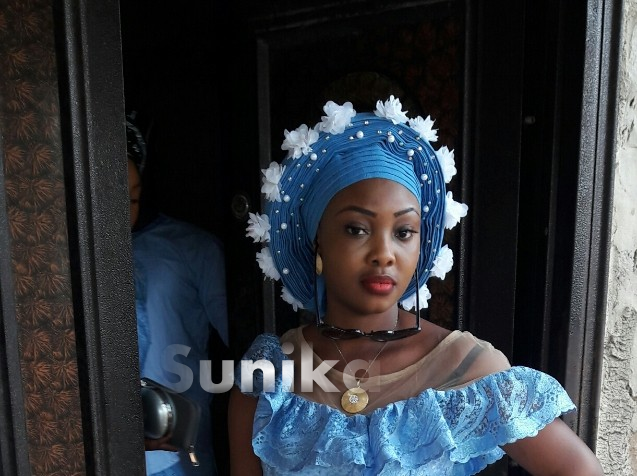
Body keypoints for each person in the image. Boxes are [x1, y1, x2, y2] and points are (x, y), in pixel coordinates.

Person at [227, 97, 603, 475]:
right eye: (356, 229)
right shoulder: (266, 378)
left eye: (404, 232)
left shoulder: (465, 368)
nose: (384, 254)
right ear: (316, 241)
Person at [126, 115, 229, 476]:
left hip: (178, 454)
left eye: (133, 198)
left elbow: (247, 343)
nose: (124, 212)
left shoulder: (192, 248)